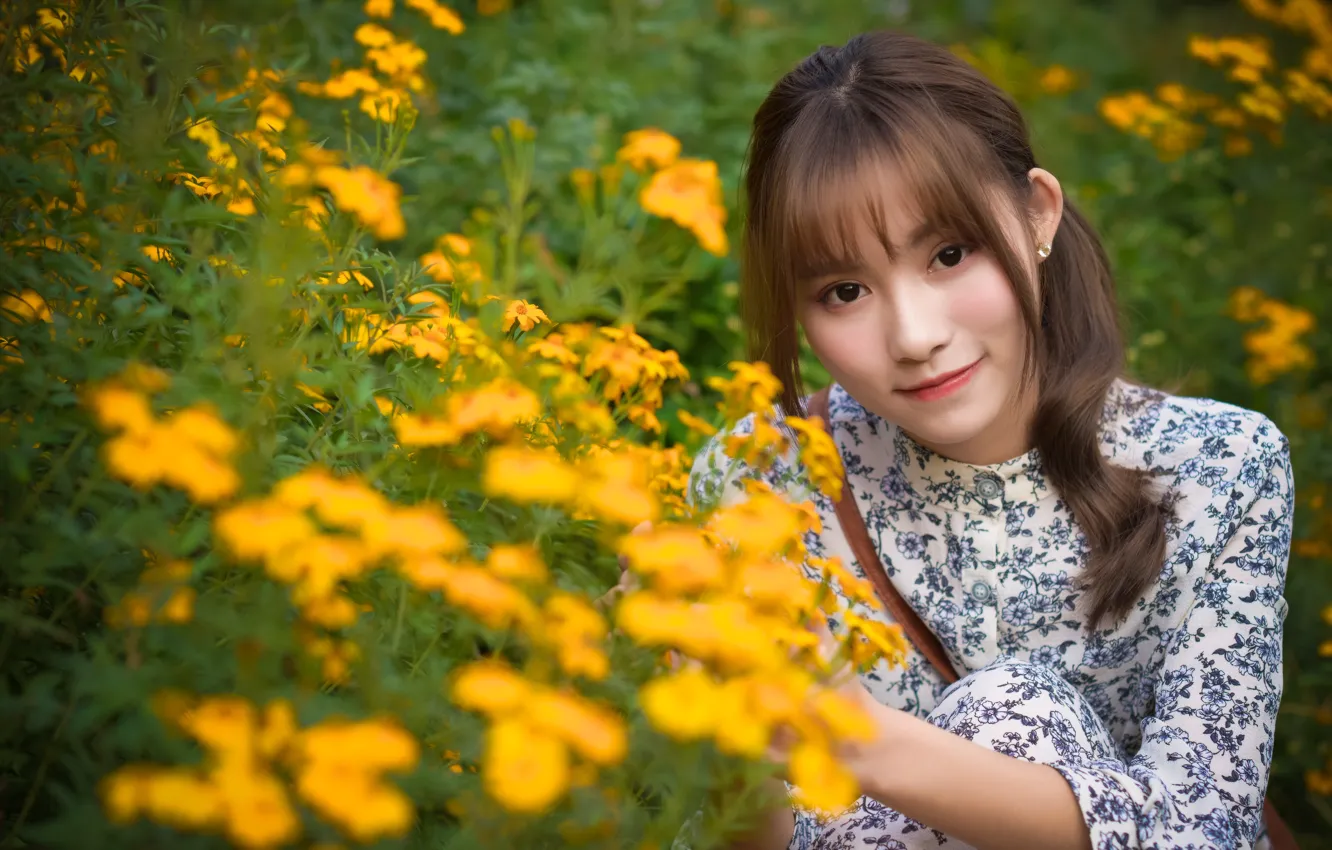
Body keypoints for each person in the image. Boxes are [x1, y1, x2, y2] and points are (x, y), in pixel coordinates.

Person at [686, 30, 1294, 850]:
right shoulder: (760, 475)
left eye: (948, 253)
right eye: (844, 290)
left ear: (1037, 215)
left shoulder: (1215, 468)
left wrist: (858, 738)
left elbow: (1203, 831)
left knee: (1014, 714)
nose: (913, 334)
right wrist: (730, 738)